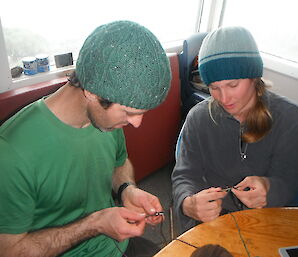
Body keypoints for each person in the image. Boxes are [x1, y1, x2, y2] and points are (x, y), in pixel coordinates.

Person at [0, 20, 171, 256]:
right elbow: (10, 251)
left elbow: (119, 164)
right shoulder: (12, 152)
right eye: (130, 112)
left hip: (116, 244)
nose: (137, 123)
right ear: (91, 91)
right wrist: (95, 224)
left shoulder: (107, 118)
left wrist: (126, 189)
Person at [172, 26, 298, 233]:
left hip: (269, 220)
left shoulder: (291, 118)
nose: (224, 98)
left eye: (233, 85)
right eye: (213, 87)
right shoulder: (198, 118)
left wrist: (270, 189)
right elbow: (185, 175)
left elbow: (291, 179)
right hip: (215, 221)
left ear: (254, 77)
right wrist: (188, 203)